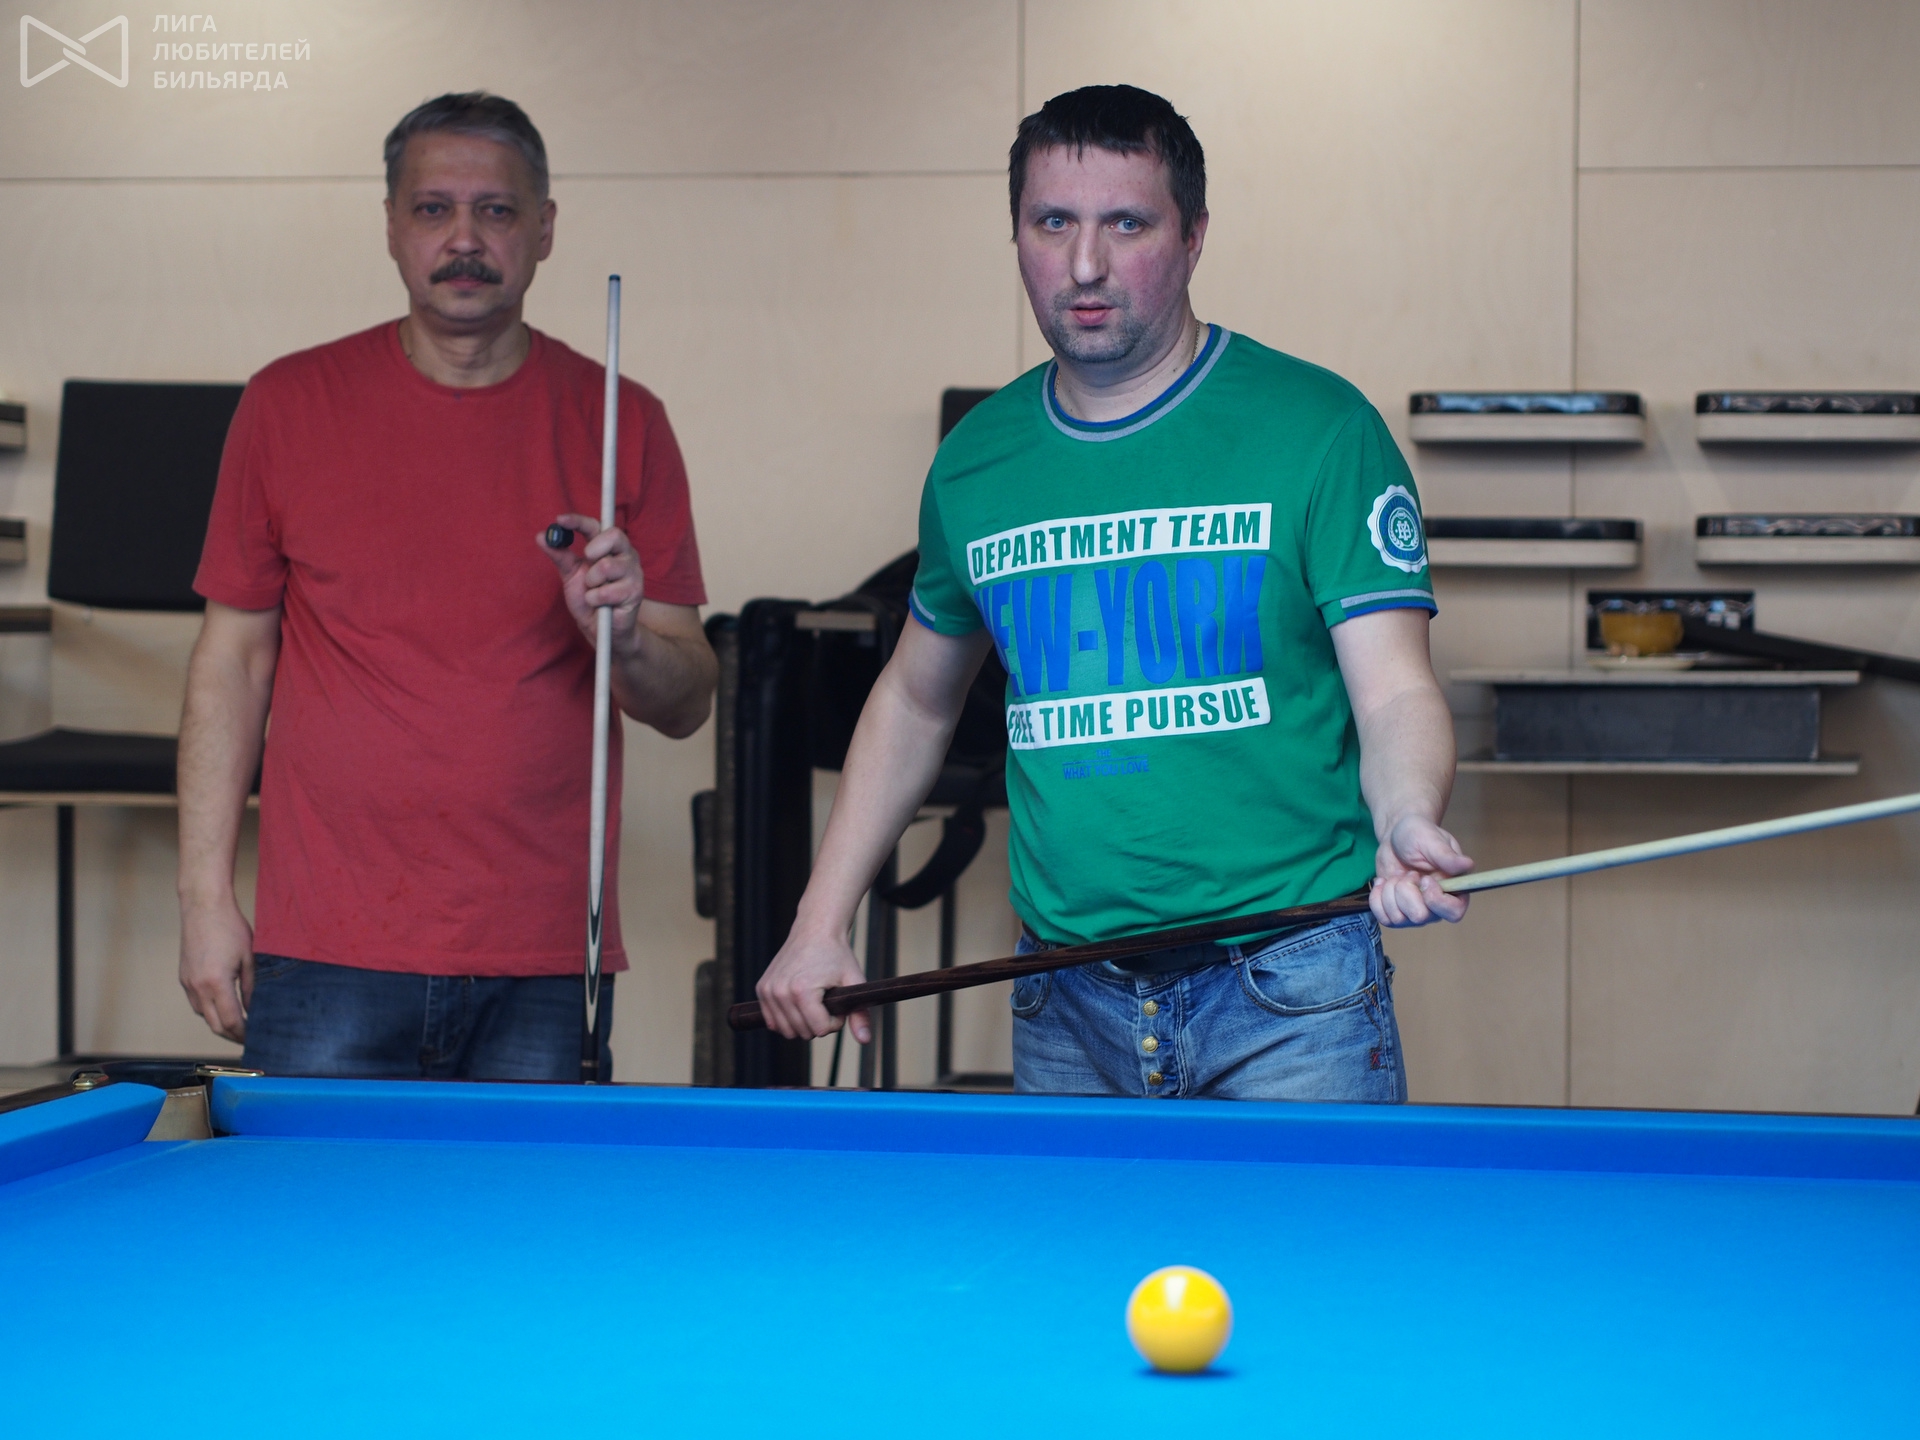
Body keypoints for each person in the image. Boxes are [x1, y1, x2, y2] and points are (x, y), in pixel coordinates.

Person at [755, 84, 1471, 1101]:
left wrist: (1406, 817)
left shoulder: (1319, 428)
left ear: (1194, 235)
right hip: (1063, 998)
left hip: (1292, 988)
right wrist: (819, 922)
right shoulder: (976, 463)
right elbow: (915, 701)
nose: (1085, 264)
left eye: (1127, 224)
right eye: (1053, 223)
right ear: (1017, 235)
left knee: (1311, 1224)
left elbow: (1394, 689)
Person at [177, 92, 716, 1080]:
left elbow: (685, 704)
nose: (464, 238)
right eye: (433, 209)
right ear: (392, 224)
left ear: (544, 228)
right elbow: (232, 663)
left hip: (544, 954)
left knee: (524, 1194)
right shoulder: (286, 404)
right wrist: (204, 899)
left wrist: (626, 633)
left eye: (496, 210)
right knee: (312, 1192)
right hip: (328, 943)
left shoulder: (622, 420)